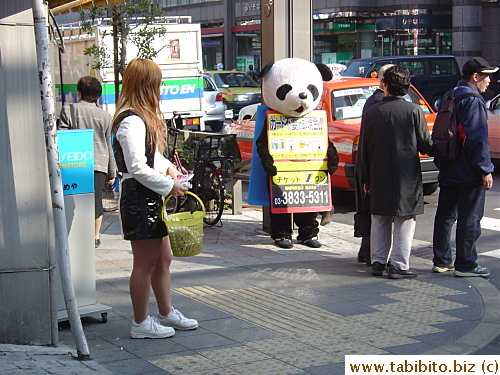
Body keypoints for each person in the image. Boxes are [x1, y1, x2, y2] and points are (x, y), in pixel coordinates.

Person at [111, 58, 198, 339]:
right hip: (139, 197)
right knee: (145, 264)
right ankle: (140, 323)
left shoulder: (136, 117)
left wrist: (169, 169)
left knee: (163, 260)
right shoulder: (132, 120)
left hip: (148, 196)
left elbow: (149, 156)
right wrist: (168, 184)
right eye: (157, 84)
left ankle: (165, 312)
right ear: (147, 85)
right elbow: (136, 165)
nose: (160, 90)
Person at [359, 65, 432, 279]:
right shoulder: (414, 111)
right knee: (405, 218)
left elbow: (364, 147)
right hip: (406, 173)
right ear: (407, 87)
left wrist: (365, 177)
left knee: (379, 217)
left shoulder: (373, 111)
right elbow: (425, 145)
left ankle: (378, 262)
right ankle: (399, 265)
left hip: (378, 172)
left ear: (385, 85)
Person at [432, 57, 497, 277]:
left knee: (445, 216)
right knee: (470, 216)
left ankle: (441, 260)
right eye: (487, 76)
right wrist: (484, 169)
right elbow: (475, 138)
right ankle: (466, 264)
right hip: (468, 169)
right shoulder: (473, 99)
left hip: (448, 165)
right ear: (475, 76)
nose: (490, 80)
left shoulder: (450, 95)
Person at [58, 76, 116, 248]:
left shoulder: (67, 110)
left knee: (73, 200)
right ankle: (95, 236)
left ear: (80, 93)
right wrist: (111, 171)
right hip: (99, 163)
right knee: (96, 201)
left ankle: (74, 234)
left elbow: (61, 138)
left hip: (75, 163)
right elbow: (108, 144)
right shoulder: (105, 116)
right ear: (98, 95)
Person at [355, 64, 393, 265]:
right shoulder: (379, 102)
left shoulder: (373, 100)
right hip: (374, 166)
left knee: (370, 210)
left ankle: (366, 251)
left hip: (367, 164)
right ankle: (371, 255)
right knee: (374, 213)